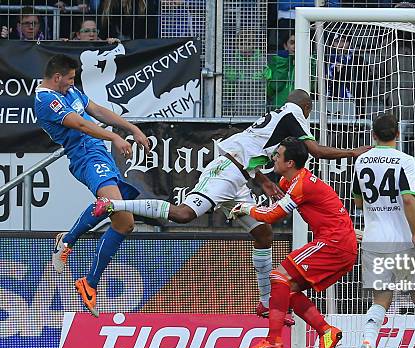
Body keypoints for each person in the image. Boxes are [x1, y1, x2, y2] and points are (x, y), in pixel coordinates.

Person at [92, 89, 371, 324]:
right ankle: (113, 204)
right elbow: (316, 152)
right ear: (307, 107)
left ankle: (264, 303)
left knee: (263, 234)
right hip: (226, 173)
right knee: (183, 214)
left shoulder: (279, 115)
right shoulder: (294, 114)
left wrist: (262, 181)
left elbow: (250, 148)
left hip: (240, 177)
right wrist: (354, 151)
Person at [34, 54, 150, 317]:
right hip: (85, 155)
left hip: (99, 153)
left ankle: (90, 283)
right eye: (70, 79)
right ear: (57, 78)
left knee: (124, 222)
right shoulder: (45, 100)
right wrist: (115, 137)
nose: (72, 84)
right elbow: (82, 124)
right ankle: (67, 240)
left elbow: (96, 111)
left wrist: (132, 128)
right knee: (110, 205)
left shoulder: (69, 90)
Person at [235, 137, 357, 348]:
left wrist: (245, 208)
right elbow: (276, 199)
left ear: (290, 163)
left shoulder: (301, 185)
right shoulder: (289, 182)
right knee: (287, 289)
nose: (274, 158)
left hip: (334, 243)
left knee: (278, 276)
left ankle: (273, 341)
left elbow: (272, 215)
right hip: (339, 243)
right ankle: (326, 331)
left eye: (278, 156)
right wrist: (256, 169)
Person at [352, 114, 415, 348]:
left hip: (373, 237)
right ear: (397, 135)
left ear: (373, 135)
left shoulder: (361, 161)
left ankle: (368, 343)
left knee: (381, 297)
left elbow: (359, 201)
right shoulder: (405, 160)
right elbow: (408, 199)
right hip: (401, 238)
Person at [266, 32, 296, 110]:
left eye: (299, 43)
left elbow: (313, 87)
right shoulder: (276, 62)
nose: (295, 46)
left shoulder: (310, 63)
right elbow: (272, 89)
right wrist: (282, 63)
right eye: (292, 43)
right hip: (278, 110)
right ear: (285, 46)